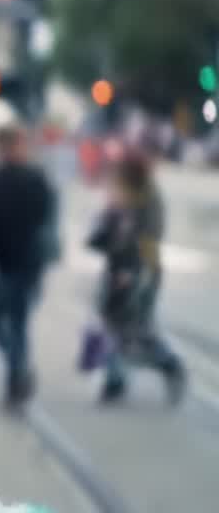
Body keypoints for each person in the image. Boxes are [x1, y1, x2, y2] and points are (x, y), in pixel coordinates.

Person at [87, 153, 186, 405]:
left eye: (118, 179)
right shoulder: (121, 201)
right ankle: (115, 381)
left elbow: (148, 243)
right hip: (117, 271)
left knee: (135, 330)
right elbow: (102, 237)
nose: (113, 185)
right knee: (114, 326)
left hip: (140, 274)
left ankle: (168, 364)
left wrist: (132, 274)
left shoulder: (149, 203)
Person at [0, 125, 56, 408]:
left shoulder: (1, 179)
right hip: (22, 264)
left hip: (14, 264)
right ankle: (18, 371)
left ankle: (17, 378)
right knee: (11, 324)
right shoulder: (32, 179)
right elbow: (45, 221)